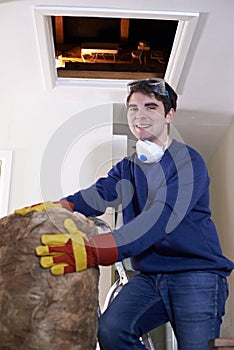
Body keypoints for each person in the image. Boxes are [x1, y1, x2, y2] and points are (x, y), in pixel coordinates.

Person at [16, 79, 234, 350]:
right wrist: (60, 207)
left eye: (150, 107)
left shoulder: (188, 161)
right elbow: (100, 193)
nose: (139, 115)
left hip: (195, 273)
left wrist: (94, 251)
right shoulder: (128, 168)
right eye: (132, 108)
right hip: (150, 277)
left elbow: (158, 218)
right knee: (112, 331)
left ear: (169, 115)